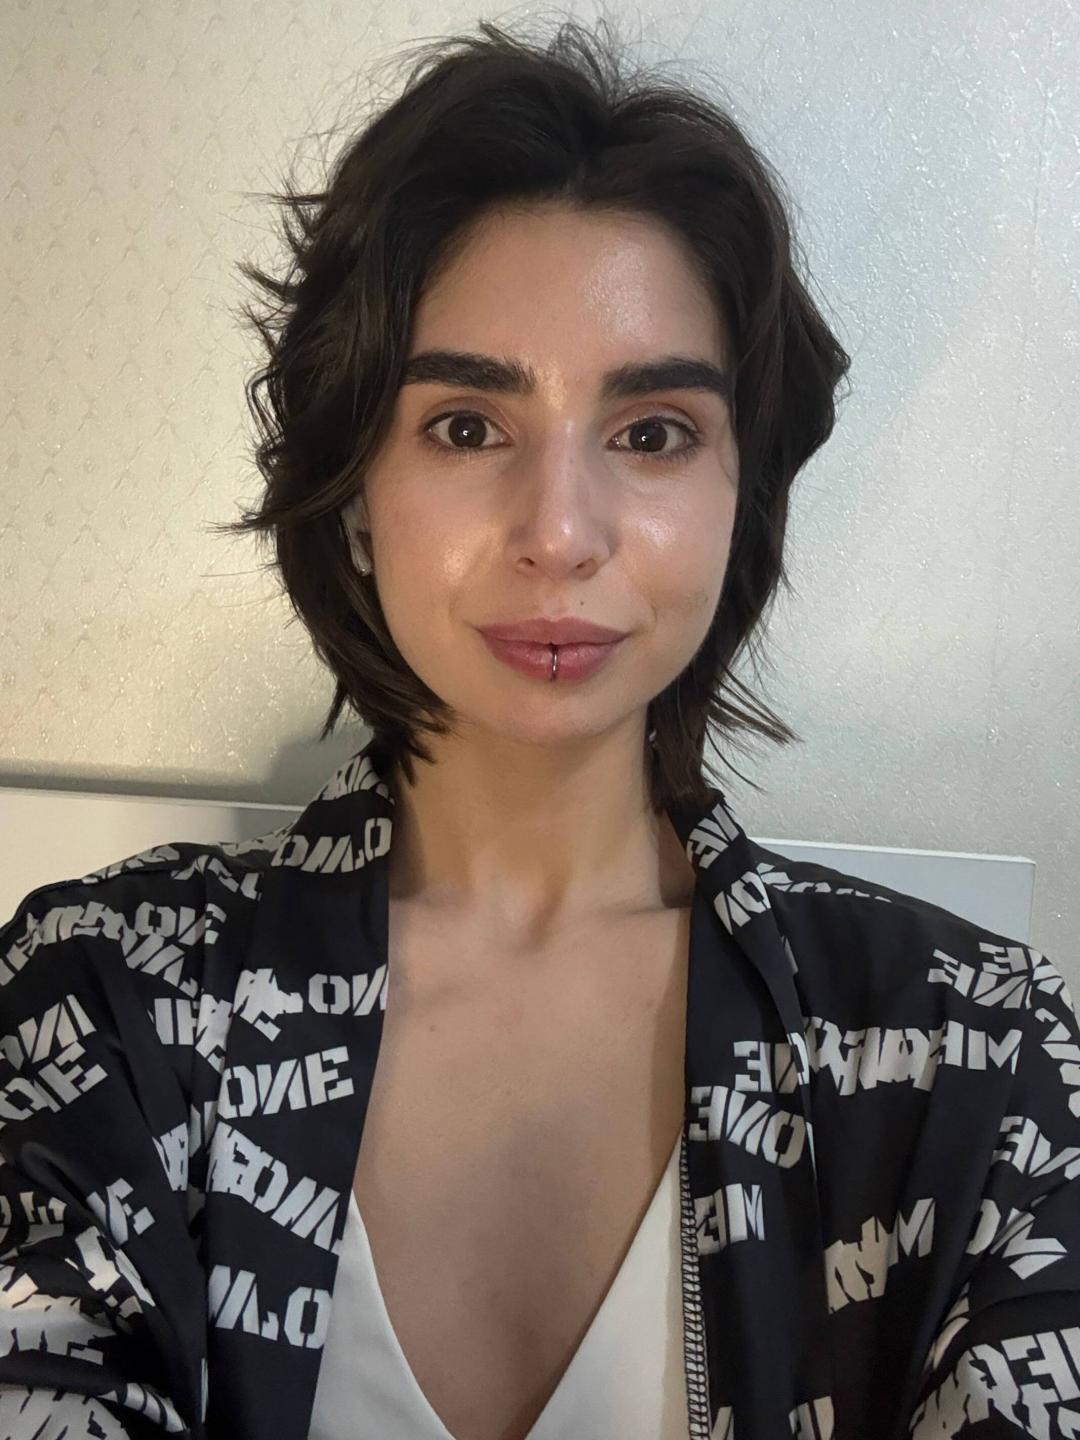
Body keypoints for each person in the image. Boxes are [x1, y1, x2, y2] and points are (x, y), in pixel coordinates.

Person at [2, 16, 1078, 1440]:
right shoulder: (106, 1004)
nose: (560, 533)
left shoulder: (971, 1049)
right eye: (465, 426)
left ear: (742, 497)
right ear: (354, 490)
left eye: (652, 433)